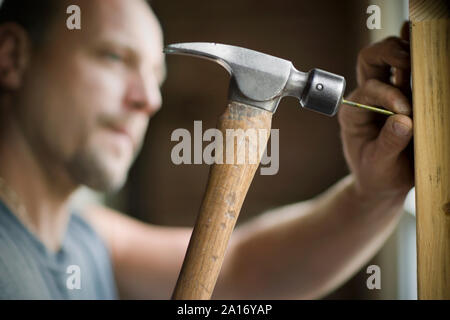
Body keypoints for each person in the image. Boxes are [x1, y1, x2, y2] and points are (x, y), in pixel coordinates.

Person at [0, 0, 413, 299]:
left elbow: (242, 269)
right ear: (12, 57)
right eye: (114, 57)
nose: (149, 100)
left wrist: (373, 194)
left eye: (156, 77)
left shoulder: (87, 239)